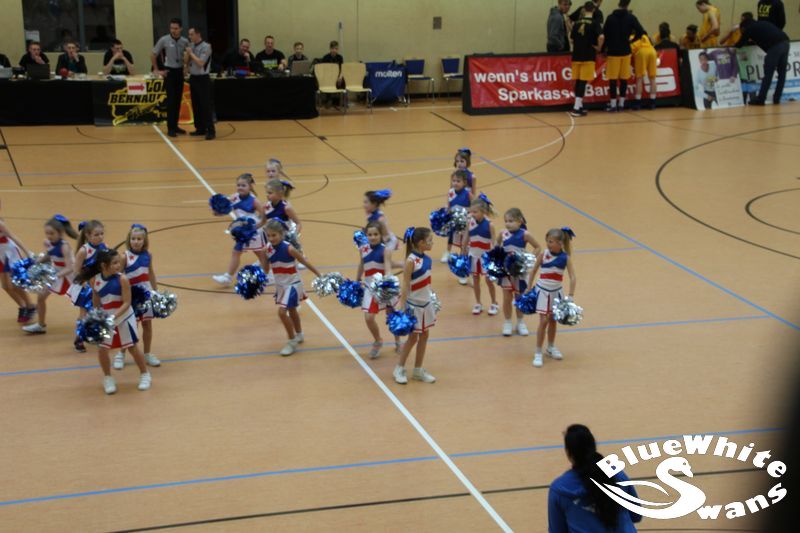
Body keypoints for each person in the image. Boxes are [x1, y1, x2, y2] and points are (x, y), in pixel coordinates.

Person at [76, 248, 151, 395]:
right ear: (104, 266)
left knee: (132, 347)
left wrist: (113, 317)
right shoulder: (95, 280)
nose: (119, 265)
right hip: (106, 319)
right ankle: (108, 377)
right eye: (115, 263)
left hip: (124, 317)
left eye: (119, 262)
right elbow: (96, 299)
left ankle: (145, 374)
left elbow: (127, 302)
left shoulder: (123, 279)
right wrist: (96, 316)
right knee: (102, 349)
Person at [548, 424, 642, 532]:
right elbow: (636, 515)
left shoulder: (560, 489)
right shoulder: (616, 474)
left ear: (569, 453)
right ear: (593, 447)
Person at [263, 219, 321, 356]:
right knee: (292, 310)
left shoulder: (289, 248)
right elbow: (265, 270)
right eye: (269, 235)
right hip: (281, 285)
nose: (271, 238)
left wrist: (319, 275)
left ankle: (291, 341)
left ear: (281, 234)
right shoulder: (268, 249)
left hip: (293, 284)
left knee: (282, 313)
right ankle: (299, 334)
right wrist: (263, 258)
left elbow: (304, 261)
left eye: (274, 235)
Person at [112, 224, 161, 371]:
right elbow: (118, 276)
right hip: (131, 296)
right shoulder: (124, 256)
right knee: (129, 326)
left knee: (147, 325)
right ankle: (121, 354)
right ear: (129, 239)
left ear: (144, 240)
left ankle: (147, 354)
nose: (136, 241)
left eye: (139, 239)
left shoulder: (148, 255)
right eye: (133, 238)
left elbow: (150, 273)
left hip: (145, 295)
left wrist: (155, 292)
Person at [527, 228, 576, 368]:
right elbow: (533, 271)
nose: (548, 244)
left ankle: (550, 347)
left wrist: (570, 295)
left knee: (553, 321)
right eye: (547, 241)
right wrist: (529, 287)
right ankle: (538, 352)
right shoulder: (543, 254)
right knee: (543, 321)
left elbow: (573, 277)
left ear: (560, 243)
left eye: (551, 242)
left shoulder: (565, 258)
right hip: (543, 292)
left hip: (556, 293)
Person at [393, 227, 437, 385]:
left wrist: (431, 297)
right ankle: (399, 368)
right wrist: (402, 305)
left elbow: (426, 282)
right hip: (413, 305)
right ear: (421, 243)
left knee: (424, 336)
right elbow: (405, 284)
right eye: (430, 240)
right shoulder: (411, 261)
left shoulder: (428, 259)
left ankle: (418, 370)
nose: (432, 243)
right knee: (412, 338)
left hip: (426, 304)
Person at [22, 215, 78, 335]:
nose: (49, 236)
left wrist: (55, 276)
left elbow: (70, 267)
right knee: (41, 297)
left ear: (60, 233)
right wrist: (37, 262)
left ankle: (95, 322)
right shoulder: (48, 242)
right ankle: (40, 325)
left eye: (52, 233)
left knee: (82, 300)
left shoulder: (65, 246)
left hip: (68, 277)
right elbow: (50, 254)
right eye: (47, 233)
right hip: (55, 274)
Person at [211, 174, 268, 286]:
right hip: (243, 232)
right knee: (236, 252)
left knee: (260, 254)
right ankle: (227, 277)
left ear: (250, 186)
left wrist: (255, 227)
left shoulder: (254, 201)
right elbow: (226, 209)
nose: (240, 187)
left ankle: (267, 275)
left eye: (243, 185)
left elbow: (264, 218)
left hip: (254, 232)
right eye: (238, 185)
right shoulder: (234, 197)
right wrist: (218, 211)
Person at [356, 221, 401, 359]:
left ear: (381, 235)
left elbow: (387, 267)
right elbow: (362, 264)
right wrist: (357, 279)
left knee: (391, 315)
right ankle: (378, 340)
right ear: (366, 236)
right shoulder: (363, 249)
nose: (373, 237)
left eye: (376, 234)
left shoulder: (385, 250)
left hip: (383, 287)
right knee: (369, 317)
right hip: (370, 288)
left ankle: (398, 341)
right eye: (370, 234)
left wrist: (387, 283)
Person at [497, 208, 541, 337]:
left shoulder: (525, 234)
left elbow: (538, 247)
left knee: (519, 297)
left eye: (511, 221)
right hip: (506, 271)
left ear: (519, 221)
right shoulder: (502, 233)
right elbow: (496, 248)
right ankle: (507, 322)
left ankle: (520, 322)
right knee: (507, 297)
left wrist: (527, 260)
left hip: (519, 272)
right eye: (506, 221)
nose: (508, 224)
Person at [68, 220, 108, 352]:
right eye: (96, 234)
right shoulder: (83, 251)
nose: (100, 237)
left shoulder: (104, 247)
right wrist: (84, 282)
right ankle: (79, 339)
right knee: (84, 314)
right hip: (86, 288)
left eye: (102, 234)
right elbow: (75, 271)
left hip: (100, 285)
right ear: (88, 235)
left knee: (100, 311)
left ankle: (98, 335)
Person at [736, 12, 790, 105]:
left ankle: (761, 99)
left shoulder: (749, 28)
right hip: (785, 43)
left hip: (775, 46)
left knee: (768, 74)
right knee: (782, 74)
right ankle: (777, 98)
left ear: (743, 27)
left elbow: (740, 44)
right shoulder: (762, 23)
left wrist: (731, 47)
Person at [601, 0, 645, 112]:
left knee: (613, 80)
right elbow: (641, 31)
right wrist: (631, 41)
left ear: (618, 4)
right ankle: (621, 104)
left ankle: (613, 105)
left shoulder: (610, 18)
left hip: (613, 52)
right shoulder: (631, 17)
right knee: (624, 79)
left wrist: (603, 49)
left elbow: (605, 34)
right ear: (628, 5)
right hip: (625, 51)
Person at [151, 18, 189, 137]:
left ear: (181, 29)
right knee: (171, 101)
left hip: (179, 72)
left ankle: (175, 125)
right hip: (169, 72)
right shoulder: (164, 40)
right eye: (172, 28)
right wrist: (157, 70)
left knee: (178, 100)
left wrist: (186, 67)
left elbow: (189, 55)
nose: (173, 30)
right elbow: (153, 54)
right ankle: (170, 128)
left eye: (176, 28)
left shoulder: (185, 41)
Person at [0, 200, 36, 324]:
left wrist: (28, 252)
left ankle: (30, 306)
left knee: (14, 284)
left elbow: (14, 237)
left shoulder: (0, 224)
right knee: (6, 286)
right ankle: (22, 306)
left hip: (9, 254)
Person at [465, 195, 498, 316]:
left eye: (475, 212)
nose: (472, 214)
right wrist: (463, 252)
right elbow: (466, 237)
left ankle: (494, 303)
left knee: (489, 280)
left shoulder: (490, 224)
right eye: (471, 211)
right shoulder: (470, 223)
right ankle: (478, 303)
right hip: (474, 256)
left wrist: (495, 256)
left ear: (483, 211)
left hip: (485, 257)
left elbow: (494, 241)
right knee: (475, 279)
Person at [569, 1, 603, 117]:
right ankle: (576, 108)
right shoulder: (595, 23)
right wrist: (598, 47)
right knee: (583, 81)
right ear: (593, 10)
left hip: (576, 55)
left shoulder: (577, 23)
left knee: (578, 81)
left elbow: (571, 39)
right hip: (588, 55)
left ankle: (579, 105)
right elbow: (601, 36)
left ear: (584, 9)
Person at [442, 171, 473, 287]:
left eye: (458, 181)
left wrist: (467, 214)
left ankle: (463, 273)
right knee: (456, 243)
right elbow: (448, 207)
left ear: (464, 182)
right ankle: (449, 254)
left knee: (464, 247)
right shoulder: (450, 192)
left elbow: (475, 207)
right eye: (454, 181)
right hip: (455, 224)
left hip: (466, 224)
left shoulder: (468, 194)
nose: (455, 183)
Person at [186, 27, 215, 140]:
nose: (190, 37)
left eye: (191, 34)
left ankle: (211, 130)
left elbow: (201, 63)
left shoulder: (206, 47)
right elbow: (187, 62)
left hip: (203, 79)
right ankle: (200, 128)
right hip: (193, 78)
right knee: (196, 104)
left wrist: (191, 53)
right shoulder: (191, 46)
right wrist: (187, 54)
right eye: (189, 34)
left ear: (198, 34)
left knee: (205, 105)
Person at [630, 34, 658, 110]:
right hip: (652, 51)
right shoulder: (644, 36)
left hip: (642, 52)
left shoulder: (632, 37)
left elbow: (629, 50)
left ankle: (638, 102)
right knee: (652, 79)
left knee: (639, 78)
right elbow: (653, 41)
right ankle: (652, 102)